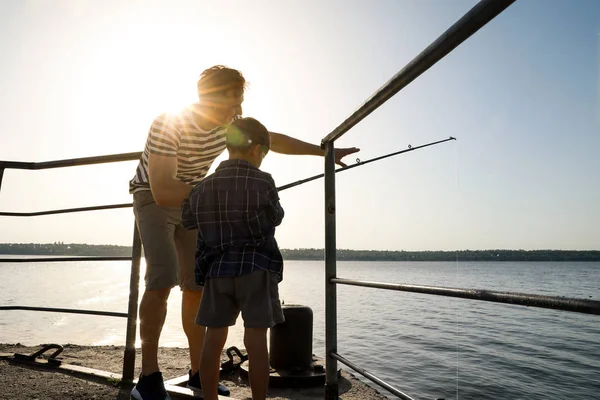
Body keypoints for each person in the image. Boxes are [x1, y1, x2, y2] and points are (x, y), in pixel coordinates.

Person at [128, 65, 359, 400]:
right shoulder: (170, 122)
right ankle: (148, 376)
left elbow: (269, 139)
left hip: (196, 199)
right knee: (162, 280)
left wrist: (324, 152)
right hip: (153, 196)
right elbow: (163, 190)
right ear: (206, 97)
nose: (236, 111)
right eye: (229, 103)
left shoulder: (229, 124)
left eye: (239, 103)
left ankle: (197, 374)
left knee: (195, 287)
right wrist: (220, 192)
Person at [182, 117, 284, 400]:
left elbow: (188, 219)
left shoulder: (203, 186)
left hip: (217, 272)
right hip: (257, 269)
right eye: (264, 154)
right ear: (256, 150)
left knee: (212, 342)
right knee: (256, 341)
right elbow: (276, 217)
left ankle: (209, 398)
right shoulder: (264, 181)